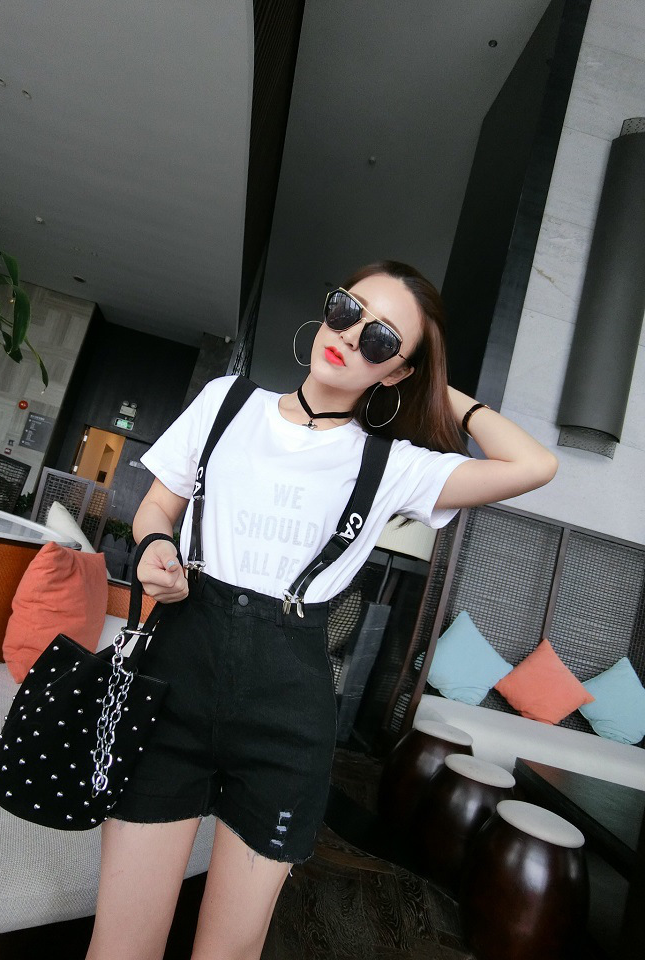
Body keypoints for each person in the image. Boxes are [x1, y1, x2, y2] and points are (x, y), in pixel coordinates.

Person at [85, 260, 558, 960]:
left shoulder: (393, 464)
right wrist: (156, 543)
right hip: (174, 679)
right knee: (120, 947)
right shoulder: (226, 402)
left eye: (381, 339)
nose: (351, 335)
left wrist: (435, 388)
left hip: (287, 714)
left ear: (397, 371)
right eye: (347, 309)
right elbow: (157, 505)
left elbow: (534, 466)